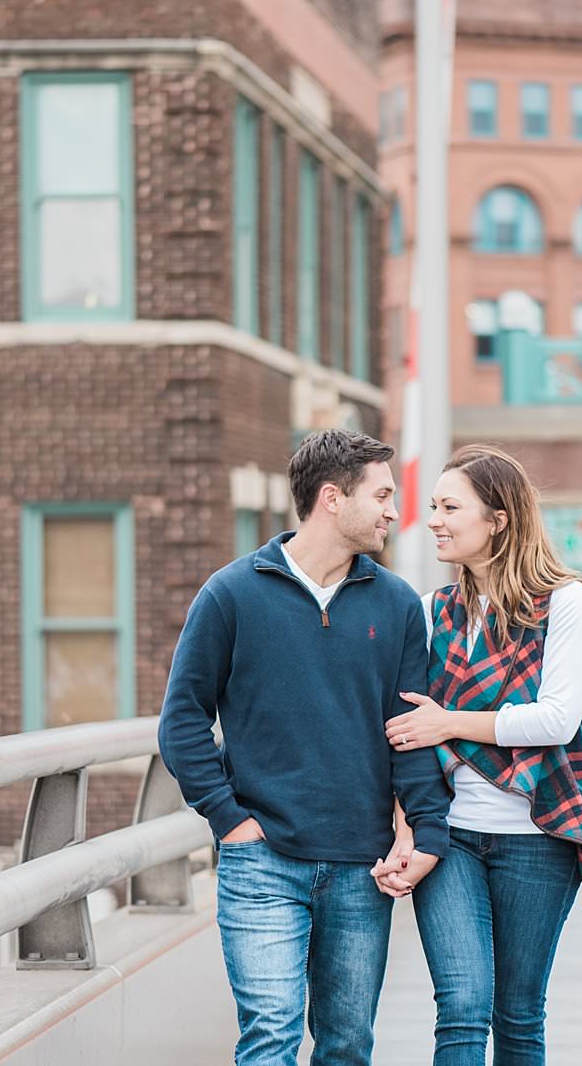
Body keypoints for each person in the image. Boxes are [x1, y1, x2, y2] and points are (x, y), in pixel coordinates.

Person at [157, 428, 452, 1066]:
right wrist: (227, 818)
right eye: (380, 494)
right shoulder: (232, 595)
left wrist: (426, 829)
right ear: (331, 498)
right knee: (270, 1035)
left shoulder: (397, 605)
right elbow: (182, 719)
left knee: (346, 1046)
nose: (391, 511)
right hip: (262, 861)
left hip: (360, 866)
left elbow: (409, 730)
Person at [371, 444, 582, 1066]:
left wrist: (446, 723)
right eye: (432, 506)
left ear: (499, 518)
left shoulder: (563, 602)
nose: (433, 519)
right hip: (450, 835)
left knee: (518, 1014)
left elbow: (557, 719)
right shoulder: (434, 612)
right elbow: (409, 735)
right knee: (461, 1006)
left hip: (537, 836)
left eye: (450, 506)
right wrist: (407, 825)